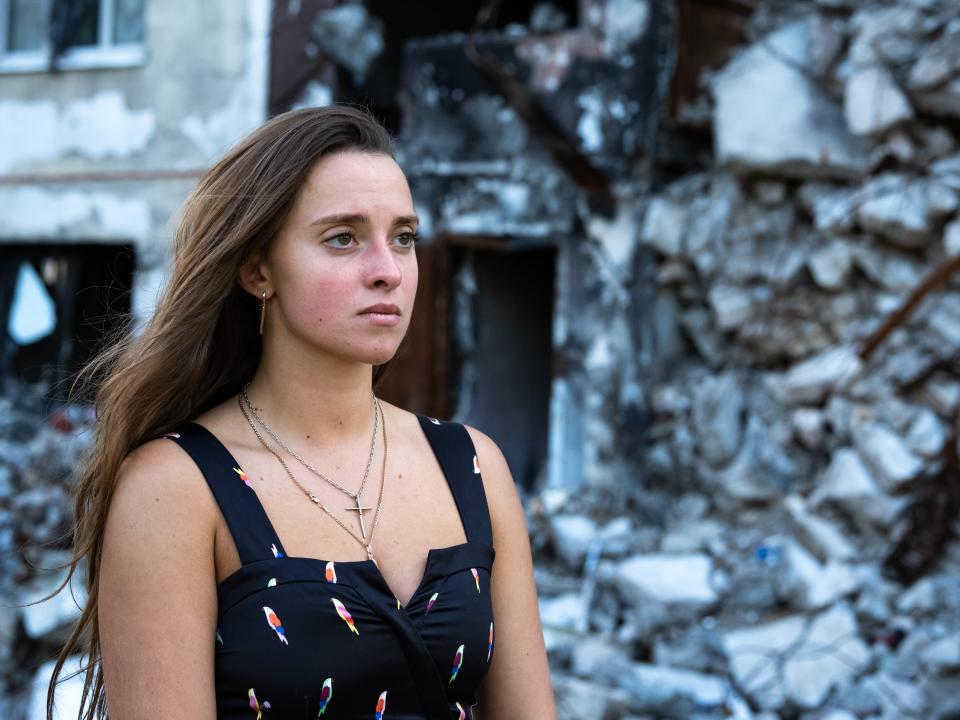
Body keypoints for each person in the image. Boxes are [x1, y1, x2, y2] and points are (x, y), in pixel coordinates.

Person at [47, 105, 556, 719]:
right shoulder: (176, 488)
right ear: (259, 268)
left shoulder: (472, 466)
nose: (388, 271)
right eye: (343, 238)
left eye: (404, 237)